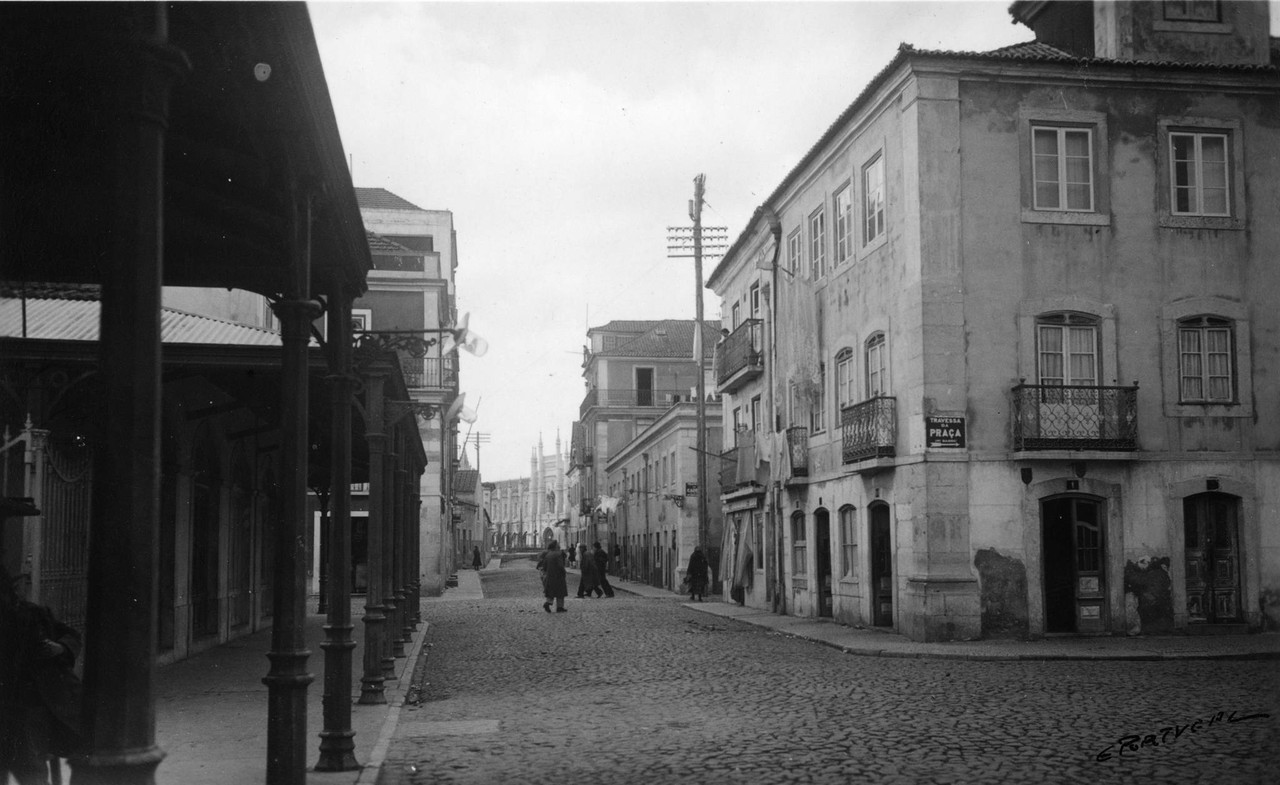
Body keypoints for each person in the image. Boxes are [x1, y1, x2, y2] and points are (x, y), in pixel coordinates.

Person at [1, 565, 83, 785]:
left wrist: (60, 648)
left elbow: (69, 635)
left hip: (25, 711)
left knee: (31, 772)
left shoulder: (31, 615)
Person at [536, 540, 568, 612]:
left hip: (550, 576)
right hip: (558, 576)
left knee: (551, 591)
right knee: (560, 592)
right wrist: (564, 572)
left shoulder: (548, 555)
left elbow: (545, 566)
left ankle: (548, 603)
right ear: (556, 547)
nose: (559, 546)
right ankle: (560, 607)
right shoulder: (558, 554)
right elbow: (560, 565)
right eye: (558, 545)